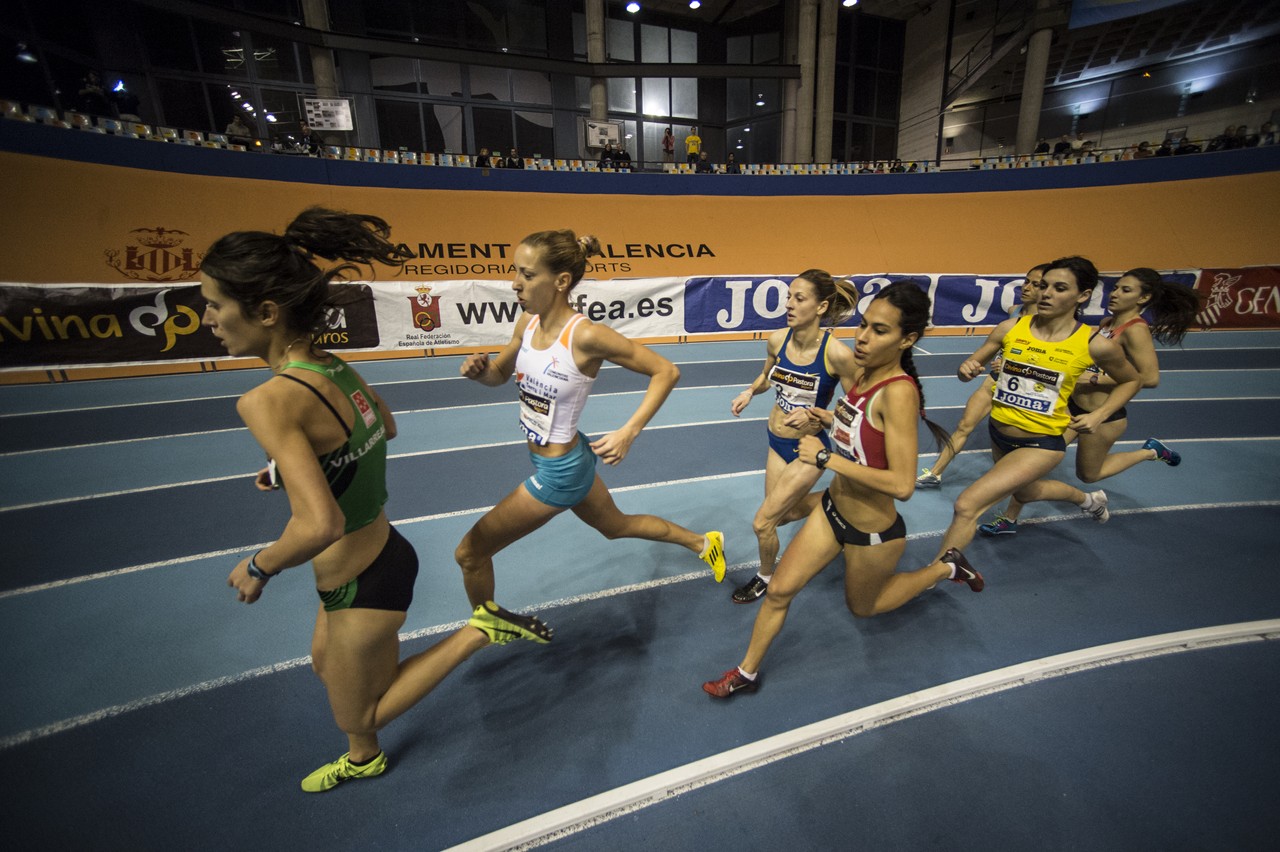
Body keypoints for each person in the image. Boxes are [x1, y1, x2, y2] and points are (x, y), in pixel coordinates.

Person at [204, 207, 552, 793]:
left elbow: (320, 523)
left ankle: (479, 632)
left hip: (360, 578)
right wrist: (290, 470)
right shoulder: (328, 366)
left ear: (265, 313)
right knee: (327, 665)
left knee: (359, 714)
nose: (208, 318)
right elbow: (381, 428)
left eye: (214, 304)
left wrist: (259, 565)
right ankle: (369, 737)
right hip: (384, 552)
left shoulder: (267, 401)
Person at [702, 282, 968, 699]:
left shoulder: (898, 392)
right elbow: (858, 429)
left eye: (880, 331)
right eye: (863, 324)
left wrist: (825, 459)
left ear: (908, 339)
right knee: (780, 592)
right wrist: (824, 417)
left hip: (871, 531)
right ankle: (746, 673)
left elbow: (902, 485)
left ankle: (946, 567)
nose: (862, 336)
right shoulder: (862, 378)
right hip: (832, 511)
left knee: (864, 607)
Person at [455, 229, 726, 613]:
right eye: (515, 272)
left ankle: (486, 628)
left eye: (528, 275)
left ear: (561, 281)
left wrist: (628, 432)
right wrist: (480, 372)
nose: (515, 284)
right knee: (616, 526)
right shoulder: (526, 324)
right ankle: (704, 542)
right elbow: (499, 373)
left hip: (559, 472)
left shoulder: (586, 336)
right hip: (570, 456)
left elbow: (666, 371)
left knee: (469, 553)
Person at [927, 256, 1142, 564]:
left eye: (1059, 288)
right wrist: (967, 368)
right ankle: (1088, 500)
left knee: (967, 505)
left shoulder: (1094, 344)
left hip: (1042, 442)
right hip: (999, 431)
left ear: (1082, 296)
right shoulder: (1010, 327)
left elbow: (1132, 380)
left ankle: (937, 572)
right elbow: (968, 369)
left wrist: (1099, 414)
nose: (1046, 293)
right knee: (1025, 493)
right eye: (1043, 286)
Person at [978, 267, 1199, 536]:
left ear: (1143, 298)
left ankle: (1150, 452)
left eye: (1125, 290)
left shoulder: (1136, 331)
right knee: (1028, 467)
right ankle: (1010, 519)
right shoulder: (1106, 324)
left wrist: (1093, 380)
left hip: (1102, 415)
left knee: (1088, 475)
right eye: (1116, 287)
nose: (1115, 294)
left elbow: (1148, 378)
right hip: (1070, 409)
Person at [727, 270, 860, 604]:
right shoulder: (777, 340)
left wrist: (819, 415)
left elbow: (857, 413)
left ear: (821, 306)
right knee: (781, 516)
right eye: (788, 296)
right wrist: (750, 390)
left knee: (762, 522)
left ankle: (765, 577)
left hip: (808, 449)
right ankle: (839, 503)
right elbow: (768, 376)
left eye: (799, 299)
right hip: (775, 441)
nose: (788, 304)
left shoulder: (837, 355)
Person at [915, 263, 1049, 488]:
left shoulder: (1048, 327)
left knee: (1012, 452)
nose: (1027, 287)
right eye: (1027, 281)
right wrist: (973, 366)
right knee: (964, 425)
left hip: (1026, 392)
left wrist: (1011, 366)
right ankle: (935, 473)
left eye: (1036, 285)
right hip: (994, 381)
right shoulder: (1013, 312)